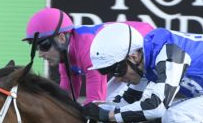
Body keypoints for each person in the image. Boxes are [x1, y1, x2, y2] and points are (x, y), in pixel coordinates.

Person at [23, 8, 153, 104]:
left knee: (105, 106)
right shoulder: (65, 53)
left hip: (146, 52)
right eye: (36, 48)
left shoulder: (87, 47)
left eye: (44, 45)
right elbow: (66, 99)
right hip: (130, 56)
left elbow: (95, 101)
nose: (40, 54)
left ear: (61, 38)